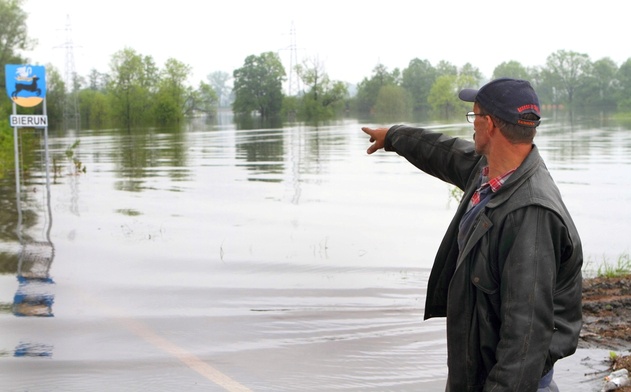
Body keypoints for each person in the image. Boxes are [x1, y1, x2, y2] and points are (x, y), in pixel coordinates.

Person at [362, 78, 583, 392]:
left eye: (475, 116)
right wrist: (393, 137)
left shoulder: (530, 213)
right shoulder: (493, 172)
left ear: (490, 124)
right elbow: (444, 153)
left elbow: (526, 337)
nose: (472, 125)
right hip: (479, 373)